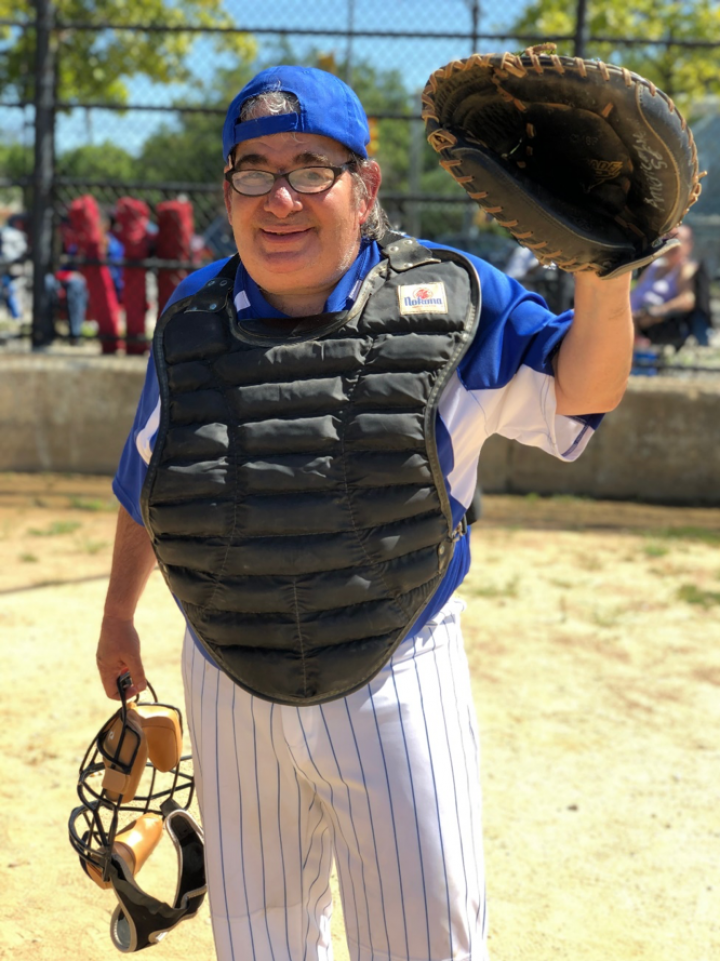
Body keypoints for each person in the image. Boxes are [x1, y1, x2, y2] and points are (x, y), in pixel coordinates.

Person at [96, 65, 635, 961]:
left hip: (392, 668)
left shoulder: (453, 298)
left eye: (312, 166)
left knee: (423, 940)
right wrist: (118, 612)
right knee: (259, 940)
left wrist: (605, 275)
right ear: (226, 187)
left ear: (365, 183)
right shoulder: (191, 313)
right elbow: (152, 473)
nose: (281, 197)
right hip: (227, 671)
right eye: (254, 169)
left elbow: (583, 388)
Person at [631, 224, 712, 348]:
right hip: (632, 315)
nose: (671, 244)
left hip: (653, 322)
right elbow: (637, 290)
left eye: (677, 239)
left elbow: (687, 300)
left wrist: (655, 312)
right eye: (668, 239)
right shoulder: (654, 265)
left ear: (688, 245)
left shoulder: (686, 268)